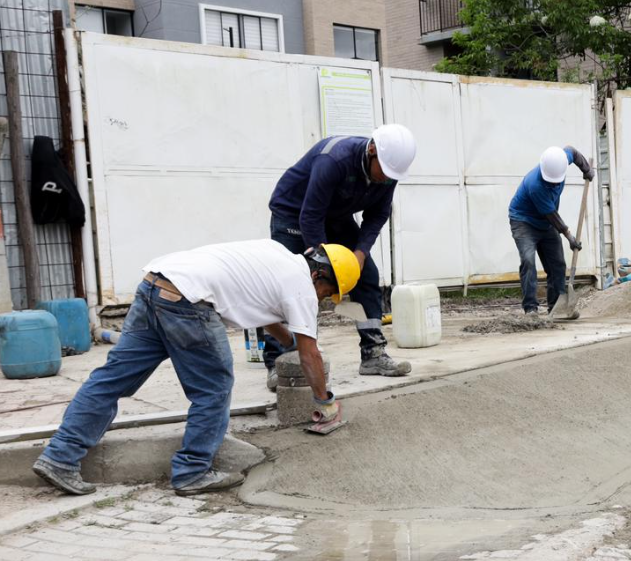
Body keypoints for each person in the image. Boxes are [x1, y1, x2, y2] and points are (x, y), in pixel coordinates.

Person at [32, 240, 360, 497]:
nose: (324, 300)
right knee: (214, 387)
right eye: (328, 293)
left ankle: (60, 457)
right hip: (189, 302)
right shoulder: (302, 287)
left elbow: (267, 312)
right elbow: (310, 354)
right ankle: (192, 471)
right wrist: (324, 402)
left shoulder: (278, 256)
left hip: (154, 285)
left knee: (111, 380)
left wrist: (287, 340)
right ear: (318, 276)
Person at [266, 124, 418, 388]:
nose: (385, 178)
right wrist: (322, 263)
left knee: (366, 273)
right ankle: (279, 362)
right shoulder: (334, 160)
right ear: (371, 150)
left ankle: (373, 354)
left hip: (335, 215)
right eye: (383, 171)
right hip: (293, 212)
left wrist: (359, 253)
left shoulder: (388, 173)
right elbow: (310, 215)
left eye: (392, 175)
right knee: (289, 282)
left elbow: (378, 215)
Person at [508, 146, 595, 314]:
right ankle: (531, 309)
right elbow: (552, 215)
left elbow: (573, 152)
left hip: (546, 223)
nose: (554, 184)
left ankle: (556, 307)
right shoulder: (536, 185)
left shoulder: (560, 160)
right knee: (528, 261)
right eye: (551, 181)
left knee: (557, 264)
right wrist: (569, 237)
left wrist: (586, 169)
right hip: (523, 221)